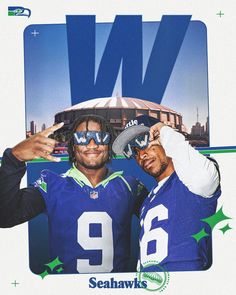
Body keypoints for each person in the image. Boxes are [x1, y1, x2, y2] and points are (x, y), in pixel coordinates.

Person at [0, 114, 148, 273]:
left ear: (109, 144)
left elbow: (170, 222)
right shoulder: (51, 185)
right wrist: (14, 159)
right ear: (72, 146)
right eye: (82, 138)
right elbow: (5, 216)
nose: (92, 144)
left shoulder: (130, 186)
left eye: (100, 137)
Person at [112, 115, 221, 271]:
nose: (141, 155)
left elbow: (203, 177)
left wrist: (165, 131)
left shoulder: (191, 183)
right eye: (133, 151)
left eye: (144, 142)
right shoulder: (148, 201)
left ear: (160, 137)